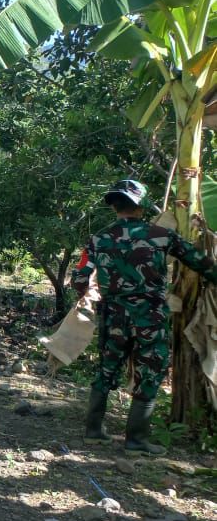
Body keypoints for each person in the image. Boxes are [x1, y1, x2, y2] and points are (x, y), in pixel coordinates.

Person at [73, 179, 217, 453]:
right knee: (150, 373)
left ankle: (93, 431)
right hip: (149, 318)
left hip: (113, 316)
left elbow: (80, 279)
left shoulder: (98, 239)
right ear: (141, 206)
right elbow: (199, 262)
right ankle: (136, 441)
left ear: (115, 206)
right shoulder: (161, 235)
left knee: (106, 369)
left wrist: (95, 292)